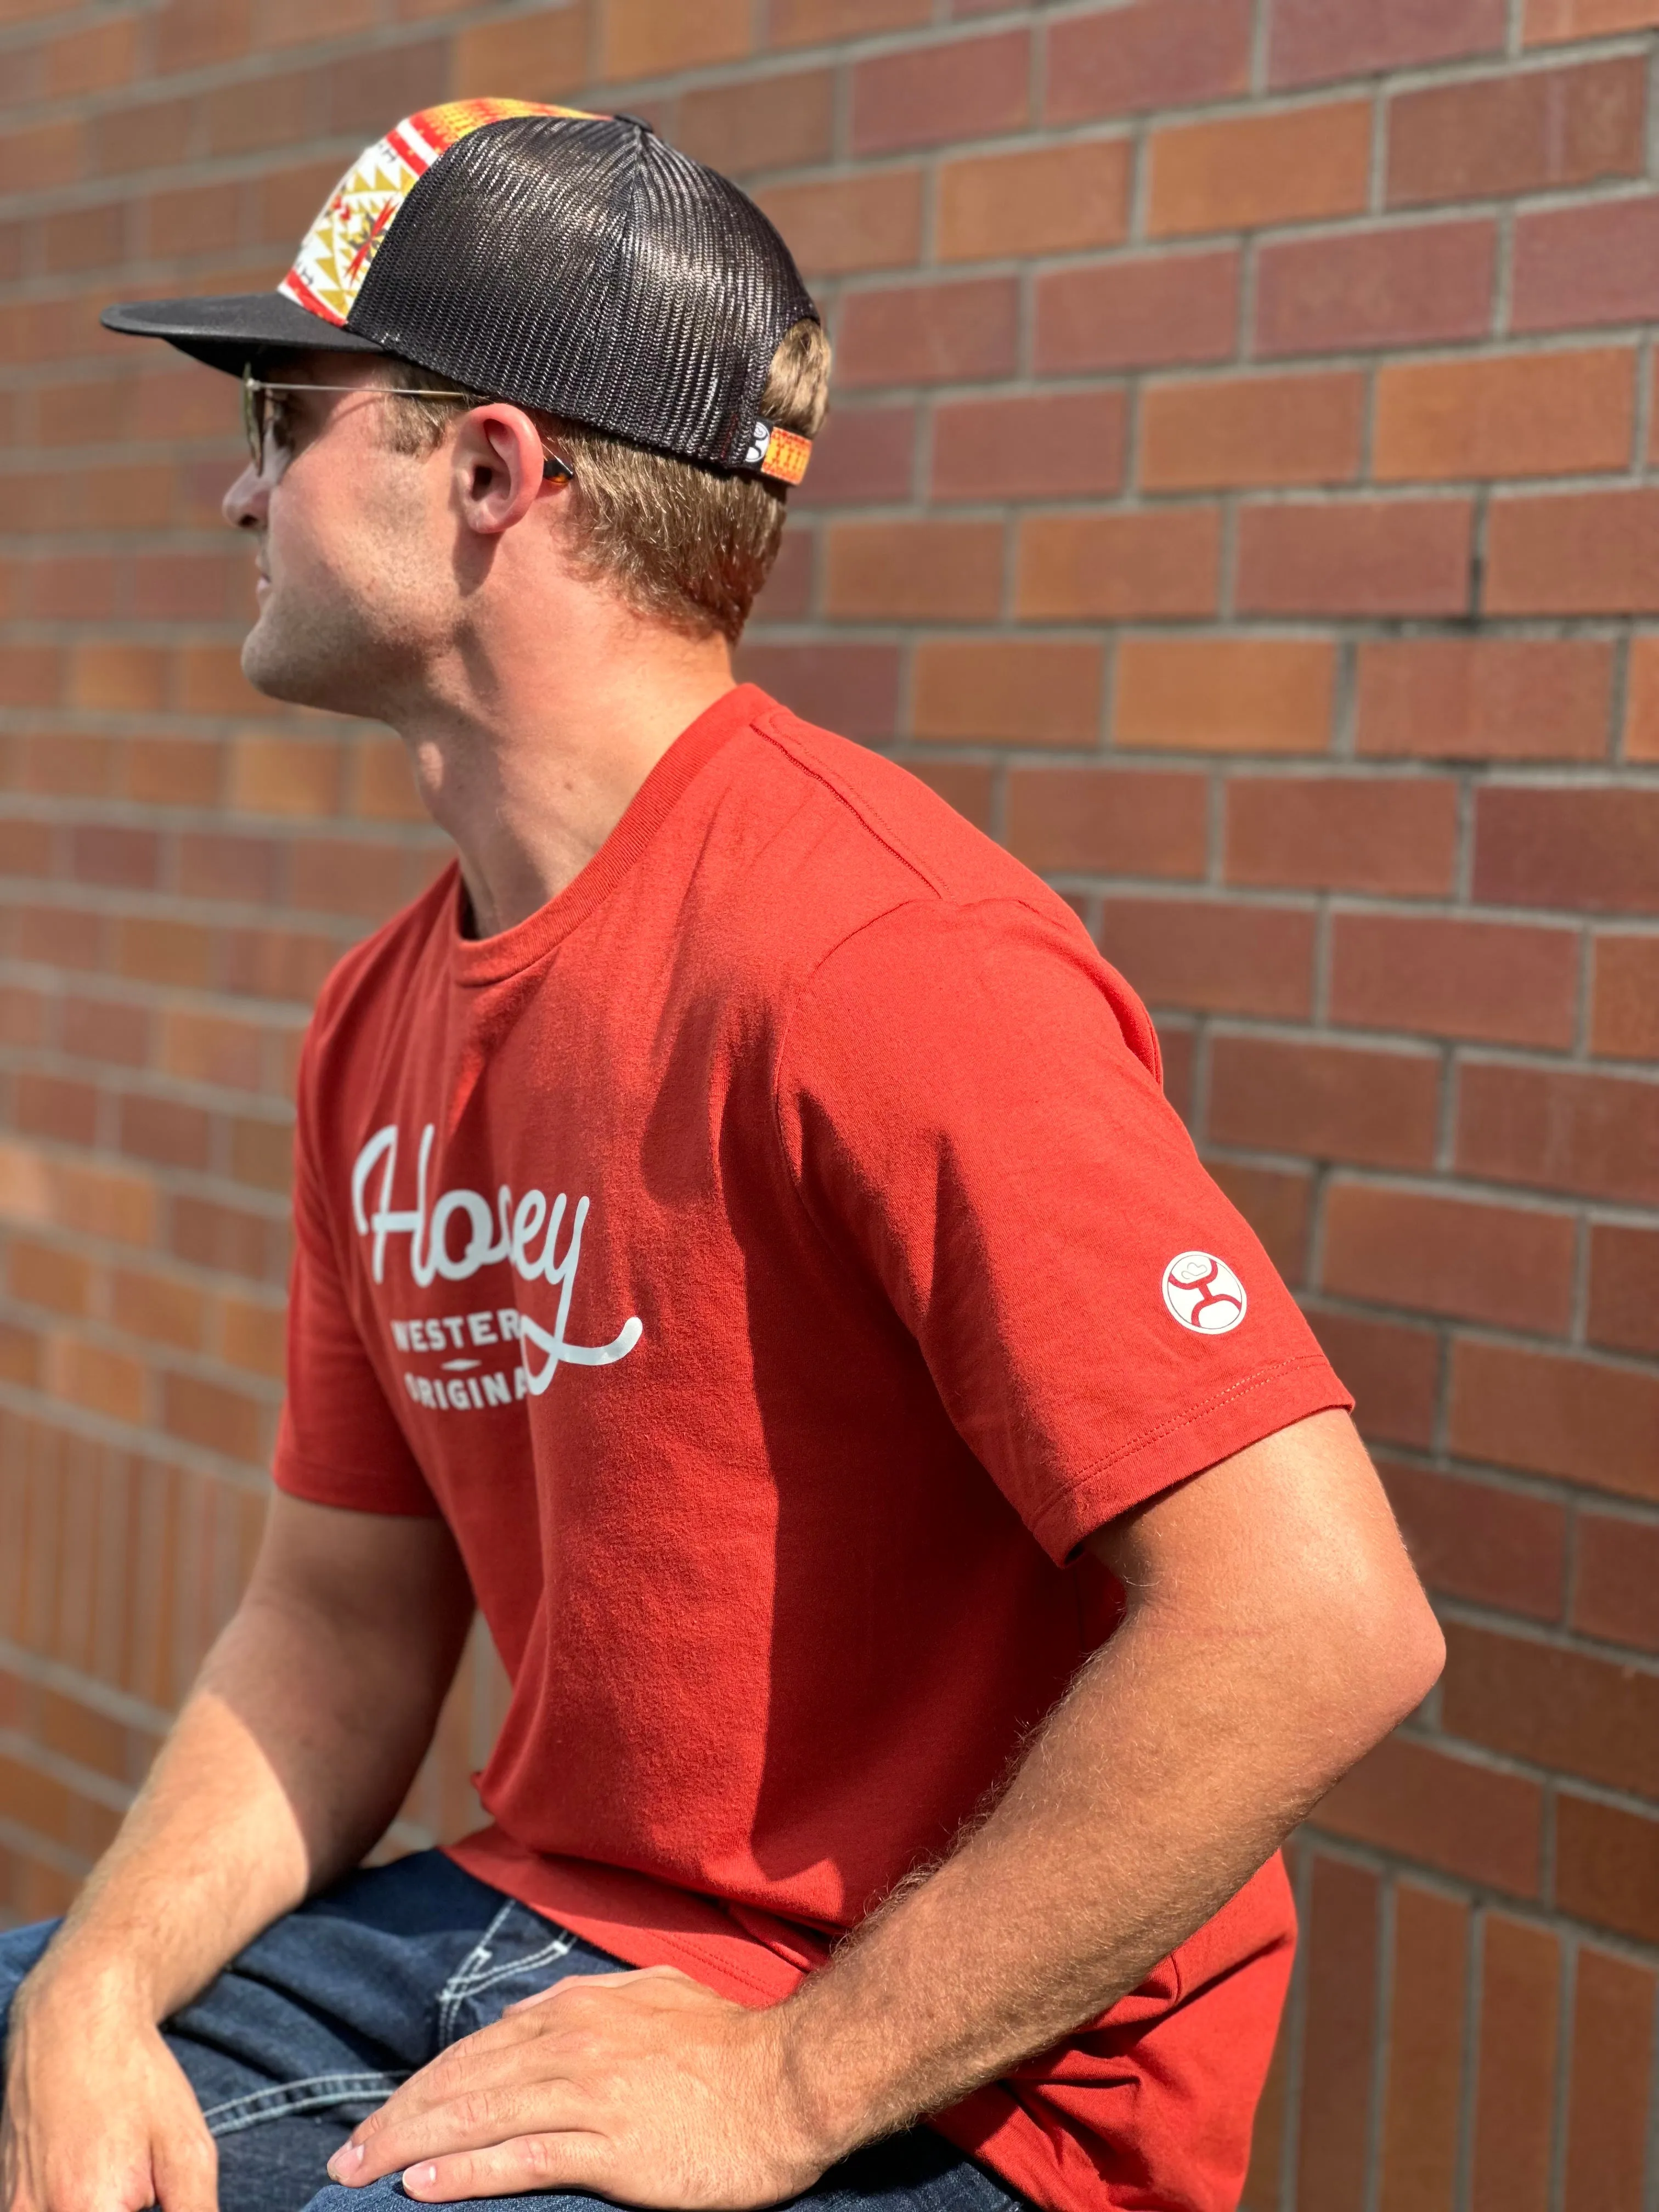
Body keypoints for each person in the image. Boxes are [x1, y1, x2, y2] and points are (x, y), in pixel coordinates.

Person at [0, 98, 1443, 2212]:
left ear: (490, 471)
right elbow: (334, 1626)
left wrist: (783, 2088)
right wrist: (93, 1994)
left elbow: (1323, 1622)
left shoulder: (880, 958)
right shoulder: (374, 1019)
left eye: (286, 412)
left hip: (942, 2083)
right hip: (529, 1941)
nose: (237, 483)